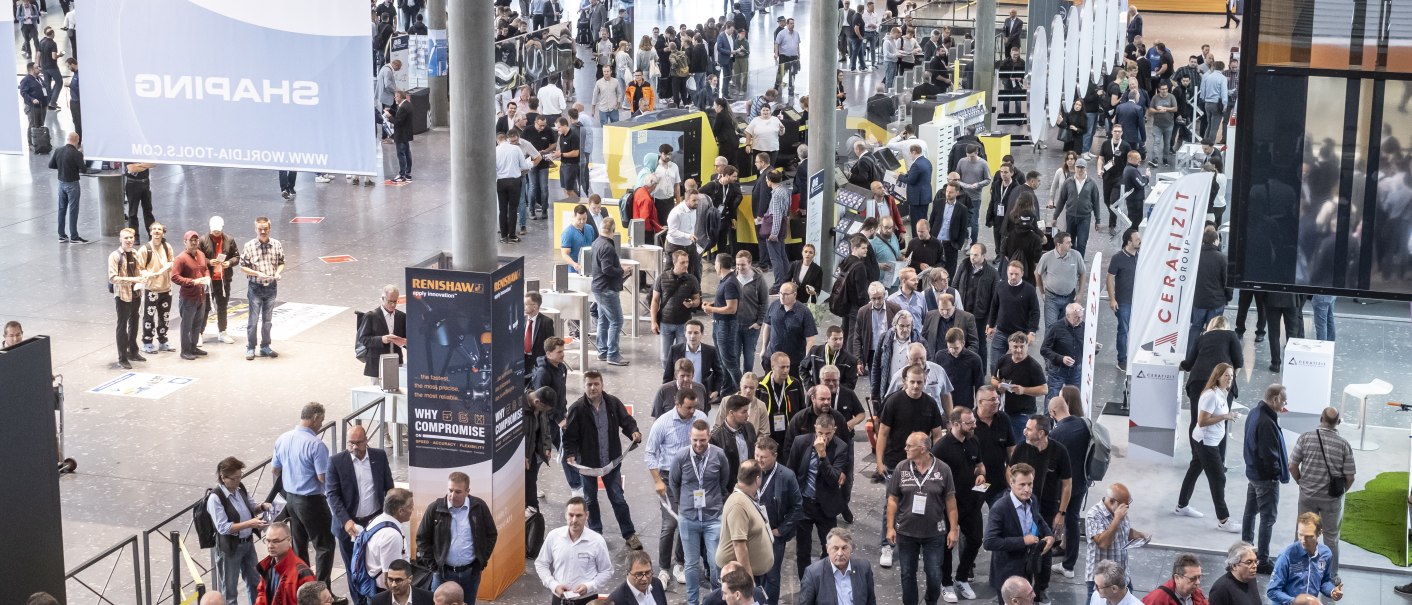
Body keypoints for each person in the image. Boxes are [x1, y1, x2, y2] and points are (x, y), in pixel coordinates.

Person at [563, 371, 645, 550]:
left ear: (602, 385)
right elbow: (570, 436)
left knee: (618, 499)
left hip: (611, 462)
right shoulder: (577, 409)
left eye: (596, 384)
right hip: (588, 465)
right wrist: (570, 453)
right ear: (584, 386)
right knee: (590, 501)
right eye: (589, 384)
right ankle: (596, 534)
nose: (593, 388)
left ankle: (629, 534)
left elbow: (627, 421)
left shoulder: (613, 403)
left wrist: (634, 431)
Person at [647, 388, 710, 586]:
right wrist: (657, 480)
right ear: (677, 404)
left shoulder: (700, 418)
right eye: (688, 408)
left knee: (689, 520)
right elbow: (650, 453)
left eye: (695, 407)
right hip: (668, 479)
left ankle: (679, 563)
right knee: (671, 523)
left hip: (693, 480)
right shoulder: (662, 423)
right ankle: (664, 568)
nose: (693, 412)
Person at [887, 431, 958, 605]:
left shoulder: (943, 469)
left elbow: (950, 501)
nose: (905, 449)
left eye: (909, 446)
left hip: (934, 532)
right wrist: (890, 527)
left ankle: (930, 601)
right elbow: (893, 498)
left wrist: (954, 530)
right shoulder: (901, 468)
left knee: (934, 574)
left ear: (923, 449)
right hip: (906, 531)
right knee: (907, 573)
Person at [325, 424, 395, 600]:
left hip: (374, 523)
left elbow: (389, 487)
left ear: (366, 441)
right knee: (354, 569)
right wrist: (346, 521)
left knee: (375, 567)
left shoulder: (379, 456)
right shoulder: (336, 461)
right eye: (350, 443)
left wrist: (391, 516)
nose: (354, 447)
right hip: (349, 525)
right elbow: (332, 495)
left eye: (358, 442)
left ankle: (376, 600)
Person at [271, 402, 336, 587]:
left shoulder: (283, 438)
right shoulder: (316, 445)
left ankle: (303, 588)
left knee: (300, 546)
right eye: (321, 420)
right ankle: (321, 590)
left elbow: (276, 470)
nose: (322, 425)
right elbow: (323, 477)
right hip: (312, 501)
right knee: (324, 545)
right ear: (315, 418)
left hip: (290, 500)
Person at [1174, 363, 1242, 532]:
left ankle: (1181, 506)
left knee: (1194, 470)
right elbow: (1202, 421)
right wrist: (1226, 416)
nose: (1229, 379)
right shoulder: (1210, 395)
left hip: (1208, 440)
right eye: (1226, 375)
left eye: (1232, 376)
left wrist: (1227, 414)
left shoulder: (1221, 393)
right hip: (1206, 442)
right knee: (1218, 479)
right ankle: (1224, 520)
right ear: (1217, 376)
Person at [1289, 408, 1356, 577]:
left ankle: (1298, 572)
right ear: (1338, 422)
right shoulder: (1343, 445)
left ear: (1320, 419)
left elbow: (1292, 465)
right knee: (1331, 538)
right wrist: (1341, 493)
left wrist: (1300, 482)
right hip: (1332, 500)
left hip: (1308, 496)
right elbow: (1350, 476)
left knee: (1303, 535)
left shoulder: (1305, 438)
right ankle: (1331, 575)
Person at [670, 419, 729, 605]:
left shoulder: (719, 455)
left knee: (715, 562)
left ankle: (716, 598)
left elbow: (724, 481)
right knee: (691, 563)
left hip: (713, 517)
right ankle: (693, 601)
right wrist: (683, 503)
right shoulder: (680, 457)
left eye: (702, 440)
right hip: (688, 518)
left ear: (709, 437)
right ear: (690, 436)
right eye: (695, 440)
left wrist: (713, 500)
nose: (698, 444)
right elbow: (674, 483)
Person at [413, 472, 498, 600]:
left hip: (471, 573)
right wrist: (433, 566)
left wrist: (482, 560)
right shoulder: (435, 508)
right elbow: (422, 538)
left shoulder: (479, 507)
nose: (453, 496)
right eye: (450, 490)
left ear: (467, 491)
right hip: (442, 574)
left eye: (458, 492)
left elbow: (491, 534)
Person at [788, 414, 851, 577]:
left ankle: (823, 579)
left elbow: (832, 479)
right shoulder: (801, 442)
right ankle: (805, 583)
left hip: (826, 506)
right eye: (820, 433)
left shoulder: (841, 447)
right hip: (804, 504)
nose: (823, 438)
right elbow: (791, 472)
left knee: (829, 547)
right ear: (815, 429)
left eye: (827, 434)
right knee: (803, 550)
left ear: (834, 430)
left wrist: (822, 455)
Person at [983, 463, 1054, 598]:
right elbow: (989, 542)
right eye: (1022, 484)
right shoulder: (1000, 508)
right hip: (1007, 573)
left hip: (1027, 568)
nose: (1027, 489)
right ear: (1011, 483)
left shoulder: (1032, 499)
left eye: (1030, 484)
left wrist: (1049, 534)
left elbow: (1037, 518)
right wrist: (1023, 541)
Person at [208, 457, 273, 604]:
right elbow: (223, 527)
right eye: (234, 478)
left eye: (240, 476)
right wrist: (250, 523)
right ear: (223, 478)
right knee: (230, 591)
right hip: (230, 548)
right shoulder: (216, 498)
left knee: (255, 583)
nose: (238, 481)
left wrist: (262, 506)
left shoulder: (239, 488)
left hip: (248, 544)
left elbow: (251, 506)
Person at [1243, 384, 1291, 574]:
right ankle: (1262, 560)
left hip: (1253, 473)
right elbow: (1269, 455)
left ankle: (1244, 550)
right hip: (1265, 478)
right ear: (1275, 399)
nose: (1285, 404)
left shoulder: (1254, 413)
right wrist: (1276, 475)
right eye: (1284, 400)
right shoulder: (1266, 422)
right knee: (1267, 518)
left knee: (1250, 513)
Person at [534, 497, 615, 605]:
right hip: (559, 600)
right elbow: (541, 564)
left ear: (587, 515)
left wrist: (589, 586)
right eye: (571, 515)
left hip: (587, 600)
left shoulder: (597, 541)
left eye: (579, 515)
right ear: (565, 515)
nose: (574, 520)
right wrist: (554, 585)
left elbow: (606, 571)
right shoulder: (554, 536)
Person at [754, 436, 803, 604]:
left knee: (772, 576)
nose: (758, 460)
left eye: (763, 457)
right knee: (754, 574)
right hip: (753, 534)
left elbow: (797, 507)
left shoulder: (787, 476)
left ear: (774, 456)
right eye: (756, 456)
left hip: (774, 535)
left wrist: (781, 530)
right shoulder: (751, 470)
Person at [1082, 483, 1150, 600]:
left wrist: (1139, 535)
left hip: (1122, 577)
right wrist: (1117, 519)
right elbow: (1103, 543)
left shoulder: (1119, 511)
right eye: (1124, 505)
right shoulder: (1094, 515)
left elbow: (1124, 531)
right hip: (1102, 581)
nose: (1126, 509)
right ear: (1112, 501)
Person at [1267, 513, 1344, 605]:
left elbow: (1324, 581)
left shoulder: (1326, 554)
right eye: (1300, 534)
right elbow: (1272, 591)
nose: (1303, 540)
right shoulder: (1286, 555)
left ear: (1319, 533)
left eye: (1308, 536)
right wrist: (1295, 602)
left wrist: (1332, 591)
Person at [239, 217, 285, 361]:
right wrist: (256, 273)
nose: (263, 231)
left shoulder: (276, 244)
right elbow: (242, 266)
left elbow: (281, 262)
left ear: (269, 228)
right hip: (255, 288)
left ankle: (265, 346)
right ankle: (251, 347)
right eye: (260, 229)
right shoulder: (249, 246)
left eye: (265, 228)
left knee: (267, 320)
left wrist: (278, 272)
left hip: (271, 287)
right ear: (256, 229)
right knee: (253, 320)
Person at [797, 527, 878, 605]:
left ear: (851, 549)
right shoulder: (813, 573)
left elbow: (871, 601)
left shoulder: (864, 568)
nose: (840, 553)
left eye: (844, 548)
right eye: (835, 548)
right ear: (827, 548)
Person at [985, 262, 1039, 376]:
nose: (1013, 277)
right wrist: (990, 324)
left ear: (1022, 274)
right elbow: (994, 306)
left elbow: (1035, 312)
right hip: (1001, 332)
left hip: (1019, 335)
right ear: (1007, 273)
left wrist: (1032, 333)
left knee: (1019, 366)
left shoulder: (1029, 290)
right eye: (1011, 274)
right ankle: (997, 390)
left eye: (1016, 274)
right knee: (994, 365)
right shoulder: (1000, 286)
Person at [359, 489, 416, 597]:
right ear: (400, 511)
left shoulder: (377, 520)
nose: (412, 509)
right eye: (410, 506)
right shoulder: (391, 536)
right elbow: (390, 577)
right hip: (384, 592)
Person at [992, 332, 1046, 441]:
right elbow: (993, 378)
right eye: (1015, 347)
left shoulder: (1033, 366)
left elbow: (1044, 389)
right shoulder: (1003, 360)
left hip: (1023, 415)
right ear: (1010, 347)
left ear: (1027, 346)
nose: (1019, 350)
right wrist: (998, 385)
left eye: (1022, 347)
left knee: (1018, 445)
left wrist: (1023, 390)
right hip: (1003, 411)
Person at [651, 251, 701, 369]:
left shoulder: (692, 279)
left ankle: (679, 383)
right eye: (682, 262)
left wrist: (692, 304)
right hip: (666, 323)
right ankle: (668, 381)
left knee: (682, 358)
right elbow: (655, 300)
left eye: (687, 262)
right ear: (674, 263)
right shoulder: (662, 278)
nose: (685, 265)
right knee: (664, 357)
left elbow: (697, 300)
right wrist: (653, 321)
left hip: (684, 325)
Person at [590, 217, 629, 366]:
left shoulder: (596, 243)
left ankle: (603, 351)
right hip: (607, 289)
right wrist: (622, 270)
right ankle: (612, 354)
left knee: (603, 320)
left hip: (599, 288)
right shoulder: (607, 247)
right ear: (613, 230)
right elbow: (607, 269)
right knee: (616, 321)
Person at [1188, 228, 1230, 358]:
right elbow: (1227, 281)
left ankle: (1190, 356)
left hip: (1199, 300)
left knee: (1195, 328)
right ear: (1215, 241)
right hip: (1216, 301)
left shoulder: (1194, 257)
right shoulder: (1222, 258)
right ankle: (1209, 357)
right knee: (1213, 331)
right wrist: (1228, 297)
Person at [170, 231, 212, 360]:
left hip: (201, 296)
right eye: (191, 241)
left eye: (196, 240)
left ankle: (193, 346)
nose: (194, 243)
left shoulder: (201, 254)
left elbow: (205, 268)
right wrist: (192, 282)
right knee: (186, 325)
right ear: (185, 242)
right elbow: (174, 277)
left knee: (197, 323)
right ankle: (185, 350)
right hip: (188, 297)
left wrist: (207, 277)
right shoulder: (180, 258)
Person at [135, 223, 176, 354]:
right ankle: (147, 342)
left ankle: (163, 341)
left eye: (159, 229)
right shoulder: (144, 249)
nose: (157, 231)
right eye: (154, 229)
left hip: (166, 288)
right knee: (149, 317)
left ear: (163, 233)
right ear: (150, 232)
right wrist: (148, 274)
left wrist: (167, 267)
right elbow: (139, 268)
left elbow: (172, 261)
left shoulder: (167, 246)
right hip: (151, 289)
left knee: (164, 317)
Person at [704, 253, 742, 386]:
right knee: (722, 361)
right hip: (720, 324)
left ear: (719, 265)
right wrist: (712, 305)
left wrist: (711, 310)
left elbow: (732, 308)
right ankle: (726, 390)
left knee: (729, 361)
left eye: (715, 263)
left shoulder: (730, 283)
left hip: (726, 326)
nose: (714, 265)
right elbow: (725, 303)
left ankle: (742, 390)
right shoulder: (726, 280)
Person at [254, 522, 316, 605]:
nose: (270, 546)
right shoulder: (267, 566)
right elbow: (262, 593)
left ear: (289, 540)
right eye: (268, 541)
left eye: (275, 541)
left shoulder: (302, 572)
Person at [666, 320, 727, 403]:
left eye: (696, 333)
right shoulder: (675, 350)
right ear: (685, 333)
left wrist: (716, 391)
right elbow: (668, 375)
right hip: (679, 393)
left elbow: (720, 374)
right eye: (689, 332)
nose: (692, 336)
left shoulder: (710, 351)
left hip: (701, 394)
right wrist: (668, 394)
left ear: (701, 334)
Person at [1034, 234, 1087, 328]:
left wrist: (1080, 294)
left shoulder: (1076, 255)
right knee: (1051, 328)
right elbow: (1037, 274)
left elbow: (1083, 273)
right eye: (1068, 242)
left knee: (1067, 328)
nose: (1071, 244)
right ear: (1058, 244)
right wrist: (1042, 292)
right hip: (1051, 299)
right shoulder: (1046, 257)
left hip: (1070, 298)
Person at [1106, 229, 1140, 371]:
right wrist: (1112, 299)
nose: (1140, 241)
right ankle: (1122, 360)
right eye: (1137, 239)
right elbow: (1109, 278)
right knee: (1124, 330)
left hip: (1139, 301)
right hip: (1124, 301)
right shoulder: (1118, 258)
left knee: (1135, 330)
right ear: (1129, 242)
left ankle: (1133, 356)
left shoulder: (1141, 256)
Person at [712, 395, 760, 494]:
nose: (747, 415)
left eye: (747, 411)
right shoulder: (716, 437)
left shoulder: (749, 427)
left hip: (752, 485)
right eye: (744, 412)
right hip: (730, 489)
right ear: (731, 413)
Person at [1039, 304, 1086, 400]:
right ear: (1068, 316)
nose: (1079, 320)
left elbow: (1085, 348)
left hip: (1076, 369)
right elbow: (1044, 349)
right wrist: (1061, 358)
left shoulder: (1084, 327)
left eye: (1081, 317)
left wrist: (1094, 349)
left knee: (1075, 400)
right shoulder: (1056, 328)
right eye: (1076, 317)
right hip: (1058, 369)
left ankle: (1073, 415)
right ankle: (1049, 415)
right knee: (1052, 398)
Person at [1142, 553, 1209, 605]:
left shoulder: (1196, 593)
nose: (1198, 582)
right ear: (1177, 578)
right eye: (1192, 578)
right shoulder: (1156, 599)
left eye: (1199, 577)